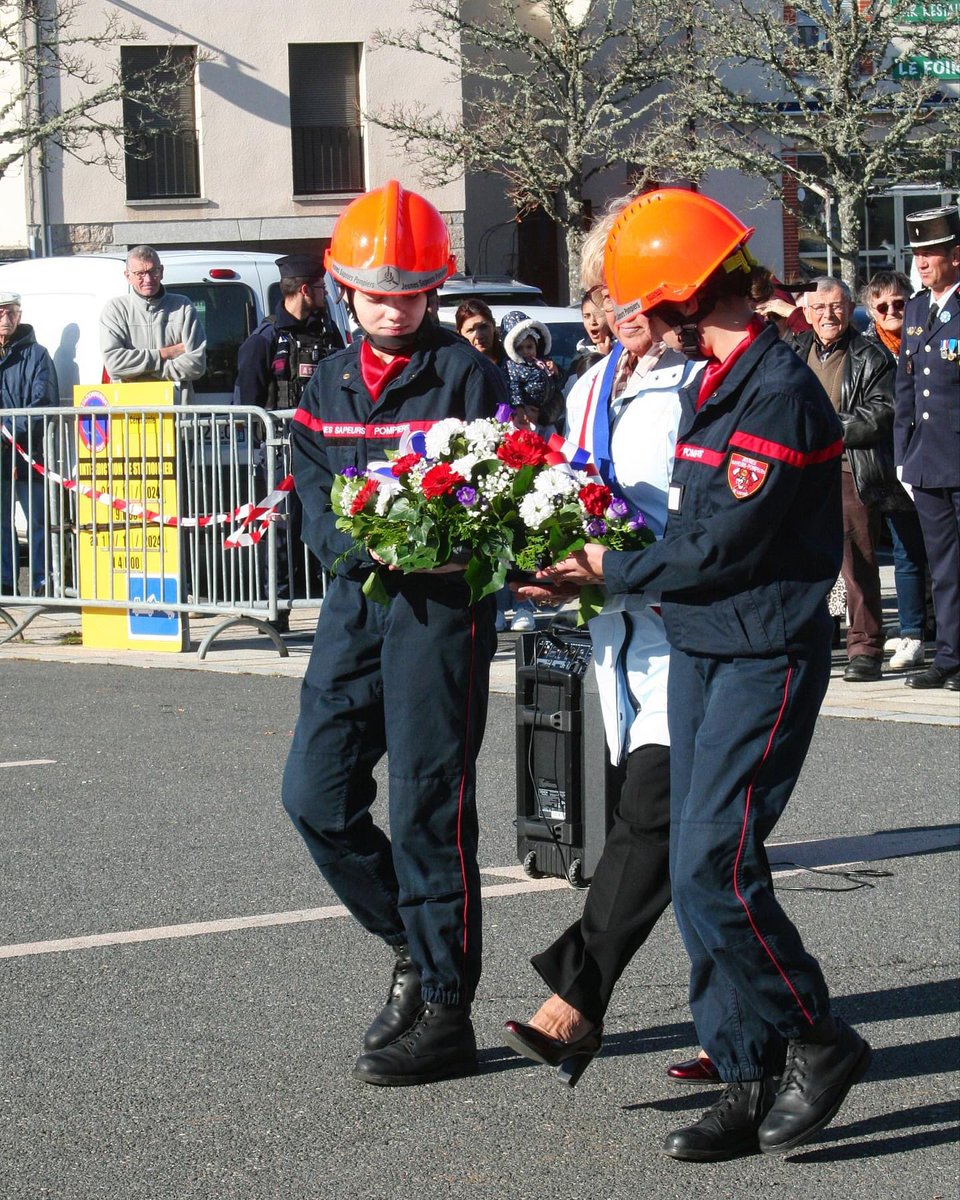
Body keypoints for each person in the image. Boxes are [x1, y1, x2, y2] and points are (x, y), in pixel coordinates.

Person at [539, 188, 870, 1161]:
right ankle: (745, 1068)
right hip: (701, 644)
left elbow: (717, 544)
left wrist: (605, 568)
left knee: (711, 867)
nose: (637, 322)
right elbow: (686, 532)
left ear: (687, 296)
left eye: (648, 303)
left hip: (760, 652)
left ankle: (818, 1035)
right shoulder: (713, 383)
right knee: (698, 872)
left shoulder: (774, 389)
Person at [281, 181, 507, 1087]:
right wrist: (355, 546)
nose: (392, 305)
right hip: (355, 607)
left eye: (410, 292)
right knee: (315, 796)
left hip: (439, 614)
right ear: (346, 290)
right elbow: (309, 490)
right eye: (377, 291)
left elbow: (500, 489)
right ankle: (411, 948)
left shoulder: (465, 374)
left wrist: (433, 550)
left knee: (426, 807)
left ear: (433, 293)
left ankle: (446, 1009)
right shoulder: (327, 379)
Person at [503, 202, 718, 1089]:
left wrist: (614, 565)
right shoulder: (590, 386)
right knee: (696, 850)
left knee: (658, 827)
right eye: (600, 294)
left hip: (694, 640)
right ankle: (747, 1027)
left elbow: (710, 527)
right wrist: (543, 560)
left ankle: (576, 1002)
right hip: (618, 645)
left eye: (627, 293)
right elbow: (569, 494)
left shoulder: (708, 384)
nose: (611, 310)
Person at [786, 277, 897, 682]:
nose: (828, 315)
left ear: (850, 310)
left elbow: (882, 413)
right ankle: (808, 639)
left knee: (859, 562)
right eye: (819, 308)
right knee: (801, 560)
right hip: (801, 472)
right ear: (807, 313)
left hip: (849, 468)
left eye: (836, 307)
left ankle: (865, 647)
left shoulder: (872, 355)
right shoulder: (793, 351)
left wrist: (826, 427)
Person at [234, 254, 344, 632]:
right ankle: (277, 610)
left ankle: (332, 607)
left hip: (325, 452)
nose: (324, 295)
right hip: (280, 455)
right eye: (319, 288)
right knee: (280, 532)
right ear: (303, 289)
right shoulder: (264, 339)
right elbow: (247, 404)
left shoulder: (329, 333)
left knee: (328, 524)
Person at [895, 205, 960, 691]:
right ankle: (950, 657)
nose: (921, 262)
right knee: (943, 568)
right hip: (928, 461)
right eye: (917, 253)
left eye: (931, 253)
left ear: (956, 256)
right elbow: (906, 392)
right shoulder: (917, 310)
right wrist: (903, 455)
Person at [861, 270, 930, 671]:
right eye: (882, 305)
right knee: (905, 553)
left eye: (898, 304)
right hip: (892, 464)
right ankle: (911, 633)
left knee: (942, 551)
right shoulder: (866, 348)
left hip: (937, 456)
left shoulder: (928, 335)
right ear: (871, 310)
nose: (891, 312)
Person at [0, 291, 58, 596]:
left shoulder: (37, 355)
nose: (6, 319)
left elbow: (42, 403)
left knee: (38, 522)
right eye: (0, 313)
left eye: (11, 312)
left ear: (20, 315)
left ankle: (41, 583)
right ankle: (5, 584)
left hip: (29, 452)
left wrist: (8, 433)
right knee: (1, 525)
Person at [100, 245, 206, 396]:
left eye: (153, 271)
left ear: (161, 271)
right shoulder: (115, 310)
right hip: (131, 413)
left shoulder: (183, 307)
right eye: (140, 274)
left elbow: (197, 365)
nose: (148, 279)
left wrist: (138, 371)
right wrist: (166, 353)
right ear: (128, 276)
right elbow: (114, 365)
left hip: (176, 413)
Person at [565, 291, 613, 384]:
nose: (592, 322)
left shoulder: (625, 349)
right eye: (586, 316)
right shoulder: (579, 359)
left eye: (598, 315)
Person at [454, 299, 503, 364]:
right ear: (460, 334)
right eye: (470, 330)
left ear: (493, 325)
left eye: (484, 327)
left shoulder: (513, 361)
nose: (479, 335)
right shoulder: (455, 365)